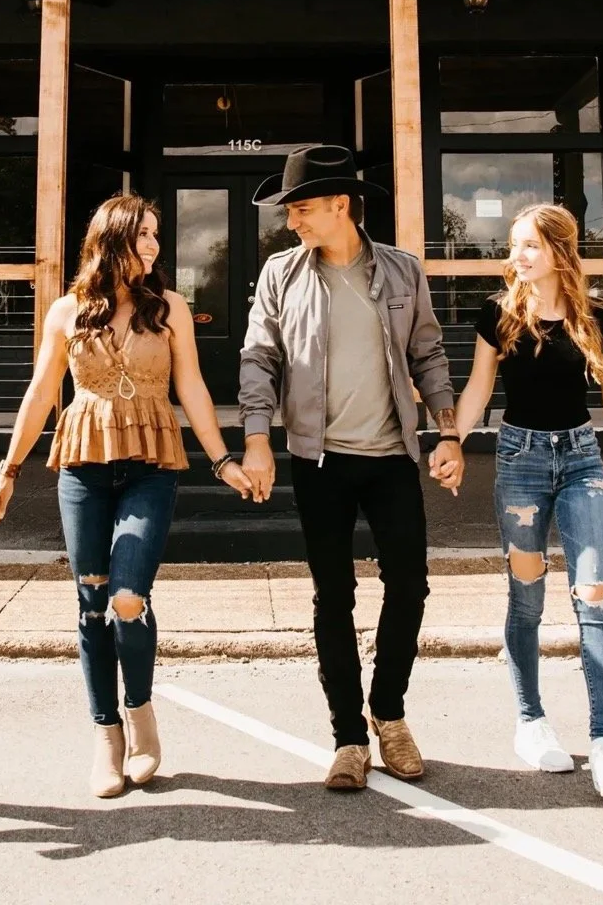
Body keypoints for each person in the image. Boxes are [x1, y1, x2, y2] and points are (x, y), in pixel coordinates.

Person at [0, 193, 255, 798]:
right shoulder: (66, 311)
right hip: (83, 467)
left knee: (129, 597)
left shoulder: (170, 309)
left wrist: (221, 459)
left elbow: (190, 383)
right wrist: (7, 469)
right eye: (143, 237)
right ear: (112, 241)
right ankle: (106, 737)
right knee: (91, 603)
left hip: (150, 467)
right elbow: (39, 395)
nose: (154, 247)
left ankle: (141, 716)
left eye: (157, 237)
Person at [239, 144, 463, 790]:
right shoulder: (281, 274)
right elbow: (258, 360)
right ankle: (347, 737)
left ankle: (387, 712)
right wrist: (257, 437)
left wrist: (446, 433)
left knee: (410, 586)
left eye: (302, 208)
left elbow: (428, 355)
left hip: (392, 455)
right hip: (319, 460)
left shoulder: (402, 271)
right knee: (332, 597)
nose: (292, 222)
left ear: (341, 204)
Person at [444, 203, 603, 797]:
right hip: (519, 464)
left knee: (595, 597)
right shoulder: (499, 316)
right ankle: (531, 722)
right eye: (513, 245)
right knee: (526, 598)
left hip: (582, 461)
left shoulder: (598, 318)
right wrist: (453, 439)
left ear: (559, 251)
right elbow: (478, 387)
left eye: (529, 245)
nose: (516, 256)